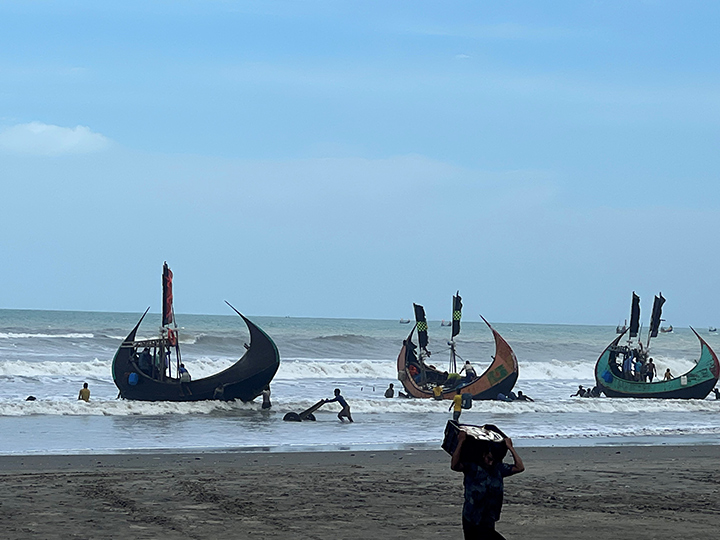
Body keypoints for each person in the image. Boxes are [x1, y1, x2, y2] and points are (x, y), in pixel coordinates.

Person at [451, 429, 525, 539]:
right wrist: (461, 442)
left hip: (489, 516)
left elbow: (519, 467)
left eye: (493, 460)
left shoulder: (498, 469)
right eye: (489, 459)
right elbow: (454, 466)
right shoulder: (472, 467)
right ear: (483, 454)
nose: (490, 463)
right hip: (472, 517)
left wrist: (510, 447)